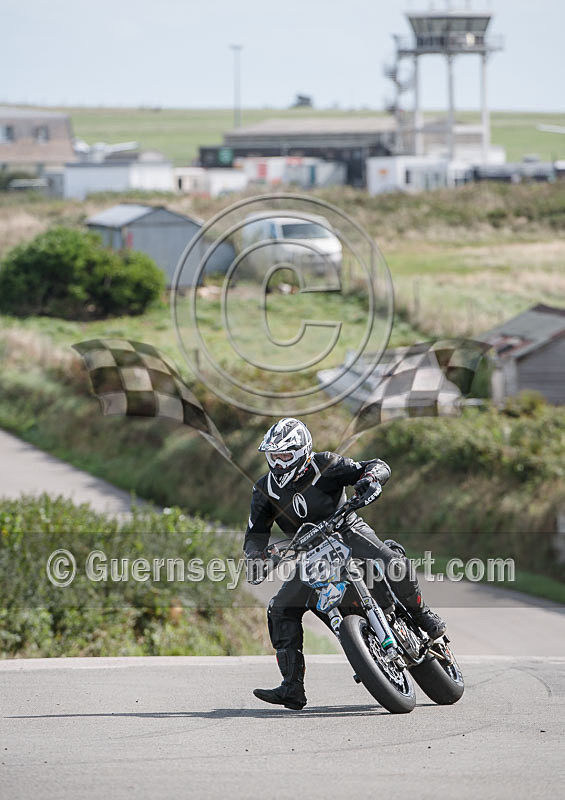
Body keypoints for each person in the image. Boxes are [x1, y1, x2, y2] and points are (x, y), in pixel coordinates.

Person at [244, 417, 446, 711]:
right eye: (273, 456)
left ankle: (423, 614)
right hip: (310, 553)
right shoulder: (264, 490)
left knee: (391, 562)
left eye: (285, 455)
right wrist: (255, 557)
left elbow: (374, 465)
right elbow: (254, 533)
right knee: (279, 609)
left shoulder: (325, 463)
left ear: (302, 452)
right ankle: (292, 688)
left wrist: (371, 479)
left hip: (347, 530)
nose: (278, 463)